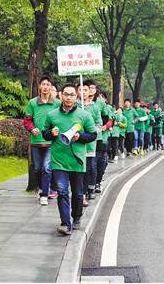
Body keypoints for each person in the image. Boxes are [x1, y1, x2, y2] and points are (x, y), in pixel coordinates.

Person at [42, 83, 97, 235]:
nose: (68, 97)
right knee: (62, 191)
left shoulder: (84, 115)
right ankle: (66, 223)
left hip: (77, 161)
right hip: (59, 160)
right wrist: (50, 133)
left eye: (72, 94)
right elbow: (44, 133)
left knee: (78, 193)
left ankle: (77, 216)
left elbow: (93, 135)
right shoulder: (52, 115)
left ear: (76, 96)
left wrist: (80, 137)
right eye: (66, 94)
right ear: (61, 95)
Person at [23, 75, 61, 205]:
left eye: (48, 85)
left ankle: (45, 194)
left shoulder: (57, 103)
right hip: (36, 142)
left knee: (46, 168)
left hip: (51, 142)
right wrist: (32, 128)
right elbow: (27, 120)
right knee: (37, 168)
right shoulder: (33, 103)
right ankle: (41, 188)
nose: (45, 87)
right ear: (40, 86)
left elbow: (61, 119)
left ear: (51, 87)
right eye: (43, 84)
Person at [76, 82, 100, 203]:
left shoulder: (95, 107)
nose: (83, 92)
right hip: (76, 142)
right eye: (80, 90)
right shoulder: (74, 105)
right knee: (79, 169)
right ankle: (81, 194)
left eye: (85, 90)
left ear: (89, 92)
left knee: (88, 168)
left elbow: (98, 123)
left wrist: (91, 130)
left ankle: (87, 191)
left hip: (89, 143)